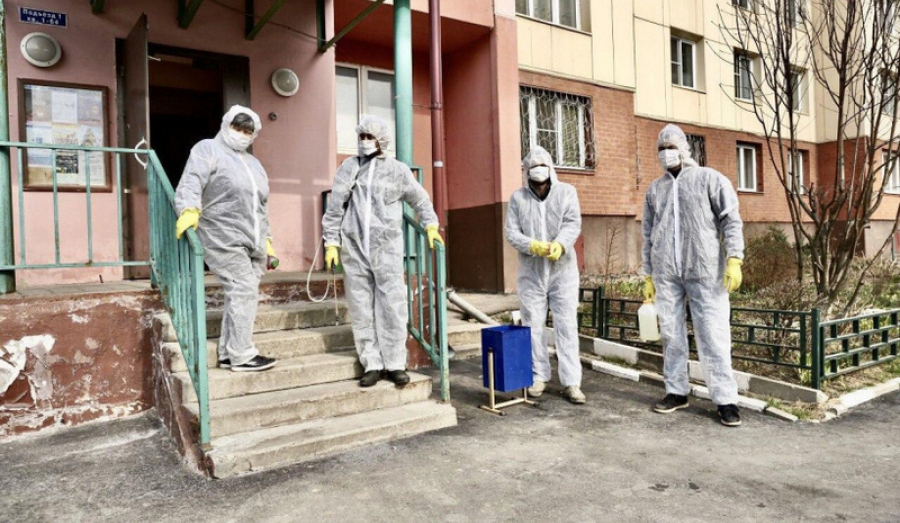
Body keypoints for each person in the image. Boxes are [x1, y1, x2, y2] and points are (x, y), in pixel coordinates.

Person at [322, 115, 444, 388]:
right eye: (362, 136)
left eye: (370, 137)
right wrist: (331, 242)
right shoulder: (349, 167)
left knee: (392, 305)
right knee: (361, 306)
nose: (365, 141)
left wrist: (431, 225)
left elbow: (420, 198)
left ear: (382, 140)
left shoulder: (397, 170)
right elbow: (336, 206)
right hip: (354, 247)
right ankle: (372, 364)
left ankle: (395, 363)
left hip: (386, 249)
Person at [642, 123, 745, 427]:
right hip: (666, 272)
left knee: (713, 333)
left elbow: (731, 221)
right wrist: (648, 275)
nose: (666, 153)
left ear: (684, 149)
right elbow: (647, 233)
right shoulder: (655, 189)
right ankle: (676, 391)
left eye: (671, 147)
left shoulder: (710, 179)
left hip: (705, 269)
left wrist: (734, 258)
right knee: (671, 333)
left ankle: (725, 399)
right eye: (661, 149)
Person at [174, 105, 278, 372]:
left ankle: (228, 353)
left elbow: (260, 206)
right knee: (243, 288)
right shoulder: (207, 149)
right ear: (226, 125)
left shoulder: (254, 164)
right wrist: (189, 209)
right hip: (221, 234)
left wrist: (267, 241)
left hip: (253, 238)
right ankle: (242, 355)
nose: (242, 134)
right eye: (237, 128)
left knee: (240, 294)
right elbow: (192, 180)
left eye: (248, 131)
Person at [505, 146, 585, 404]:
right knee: (533, 326)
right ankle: (539, 375)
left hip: (563, 273)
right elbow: (511, 233)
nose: (538, 170)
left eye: (542, 165)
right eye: (533, 166)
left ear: (550, 168)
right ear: (526, 171)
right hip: (531, 274)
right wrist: (533, 246)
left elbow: (572, 223)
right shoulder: (518, 199)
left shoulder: (566, 192)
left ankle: (572, 382)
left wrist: (560, 244)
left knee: (567, 325)